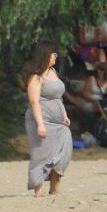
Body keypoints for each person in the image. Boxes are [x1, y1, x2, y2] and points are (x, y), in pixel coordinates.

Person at [23, 41, 71, 196]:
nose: (56, 56)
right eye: (53, 53)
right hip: (42, 119)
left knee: (64, 152)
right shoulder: (36, 77)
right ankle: (38, 190)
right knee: (41, 154)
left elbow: (58, 96)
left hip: (58, 121)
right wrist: (40, 124)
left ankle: (55, 186)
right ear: (45, 55)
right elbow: (34, 101)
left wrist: (64, 114)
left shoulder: (54, 72)